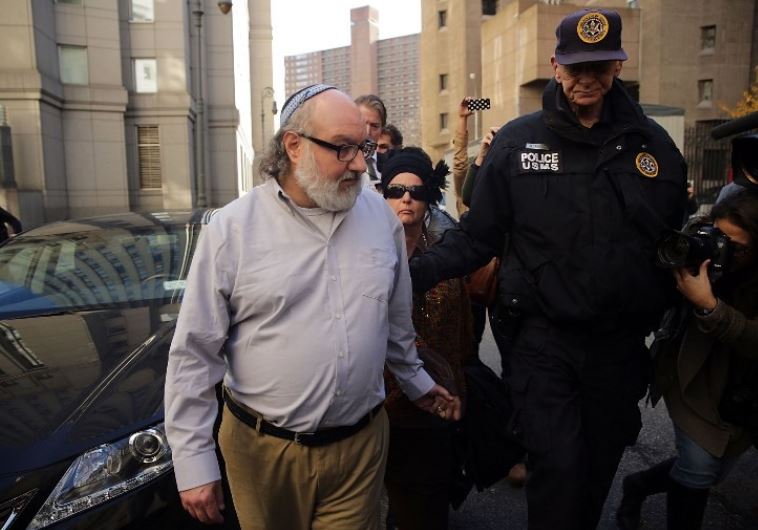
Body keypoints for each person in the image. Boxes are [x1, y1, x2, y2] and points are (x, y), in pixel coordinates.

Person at [409, 9, 688, 529]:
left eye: (599, 67)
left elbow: (673, 240)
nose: (587, 79)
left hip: (619, 347)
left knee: (596, 471)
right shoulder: (517, 144)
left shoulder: (654, 148)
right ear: (556, 65)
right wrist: (407, 275)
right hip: (543, 345)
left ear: (618, 66)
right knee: (556, 471)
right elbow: (477, 238)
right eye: (576, 67)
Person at [164, 84, 460, 530]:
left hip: (360, 450)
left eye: (363, 148)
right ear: (294, 145)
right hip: (263, 456)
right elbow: (194, 353)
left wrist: (416, 380)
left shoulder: (380, 219)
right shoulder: (233, 230)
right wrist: (192, 460)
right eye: (343, 149)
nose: (360, 164)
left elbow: (394, 322)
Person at [615, 198, 758, 530]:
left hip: (743, 384)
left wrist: (710, 306)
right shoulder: (693, 241)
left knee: (712, 470)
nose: (721, 249)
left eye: (736, 248)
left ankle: (638, 485)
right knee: (699, 468)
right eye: (717, 237)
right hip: (690, 370)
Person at [379, 147, 475, 530]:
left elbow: (464, 339)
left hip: (431, 410)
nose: (406, 198)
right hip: (375, 411)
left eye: (416, 192)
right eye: (396, 190)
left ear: (428, 197)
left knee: (424, 510)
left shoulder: (445, 261)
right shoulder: (363, 259)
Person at [355, 94, 387, 190]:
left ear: (382, 130)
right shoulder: (337, 162)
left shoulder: (391, 165)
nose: (368, 132)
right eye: (362, 123)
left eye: (375, 126)